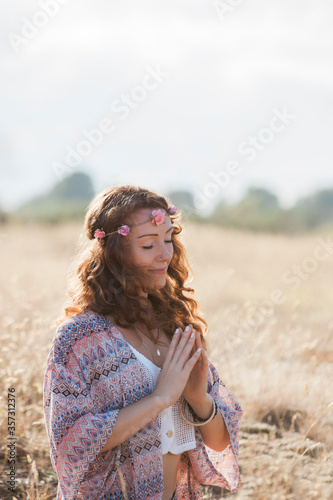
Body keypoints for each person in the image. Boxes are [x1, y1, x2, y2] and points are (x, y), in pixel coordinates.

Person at [43, 185, 243, 500]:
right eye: (149, 245)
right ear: (112, 253)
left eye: (168, 240)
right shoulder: (81, 337)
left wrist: (198, 401)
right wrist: (161, 397)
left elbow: (220, 442)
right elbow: (71, 440)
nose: (165, 254)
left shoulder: (175, 327)